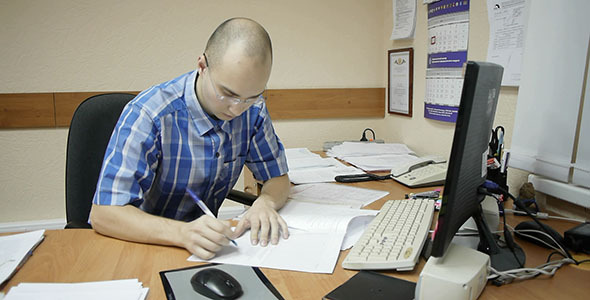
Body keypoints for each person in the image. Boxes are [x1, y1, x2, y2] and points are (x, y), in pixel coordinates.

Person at [90, 17, 290, 260]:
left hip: (207, 251)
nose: (237, 109)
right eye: (228, 94)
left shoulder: (253, 111)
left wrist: (265, 203)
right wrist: (183, 233)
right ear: (202, 65)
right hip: (144, 246)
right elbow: (104, 214)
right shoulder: (151, 114)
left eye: (251, 97)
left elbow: (278, 179)